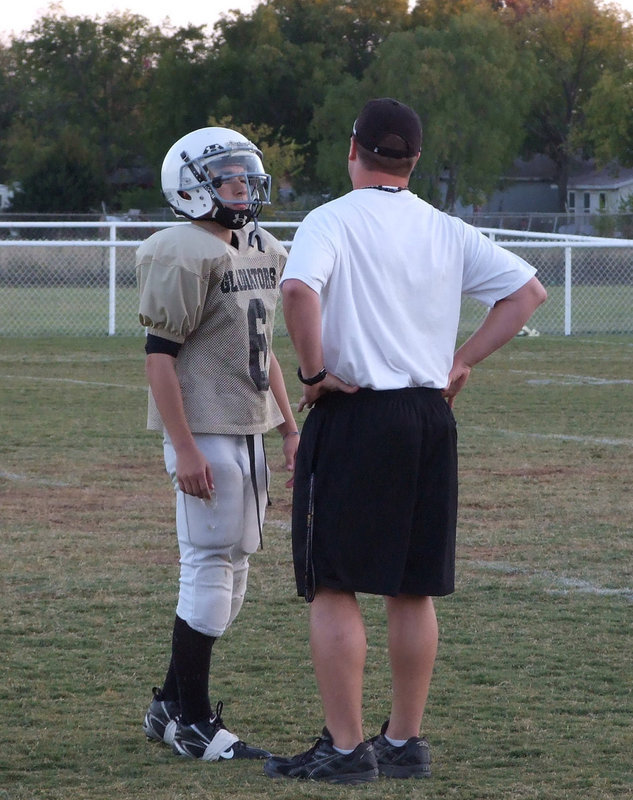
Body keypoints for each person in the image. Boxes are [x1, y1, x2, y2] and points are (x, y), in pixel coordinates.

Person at [264, 98, 547, 784]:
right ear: (414, 160)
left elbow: (299, 292)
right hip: (426, 417)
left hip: (356, 411)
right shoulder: (444, 227)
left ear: (352, 148)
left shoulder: (330, 218)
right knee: (411, 589)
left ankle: (345, 746)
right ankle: (403, 742)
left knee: (333, 583)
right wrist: (462, 360)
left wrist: (312, 372)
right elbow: (527, 293)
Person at [136, 126, 299, 762]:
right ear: (192, 187)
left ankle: (168, 706)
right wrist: (185, 448)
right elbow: (159, 359)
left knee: (233, 578)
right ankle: (194, 722)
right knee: (207, 569)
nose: (243, 186)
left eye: (245, 174)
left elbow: (265, 351)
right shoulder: (181, 250)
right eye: (228, 176)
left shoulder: (257, 244)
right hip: (204, 427)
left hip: (248, 424)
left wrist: (288, 427)